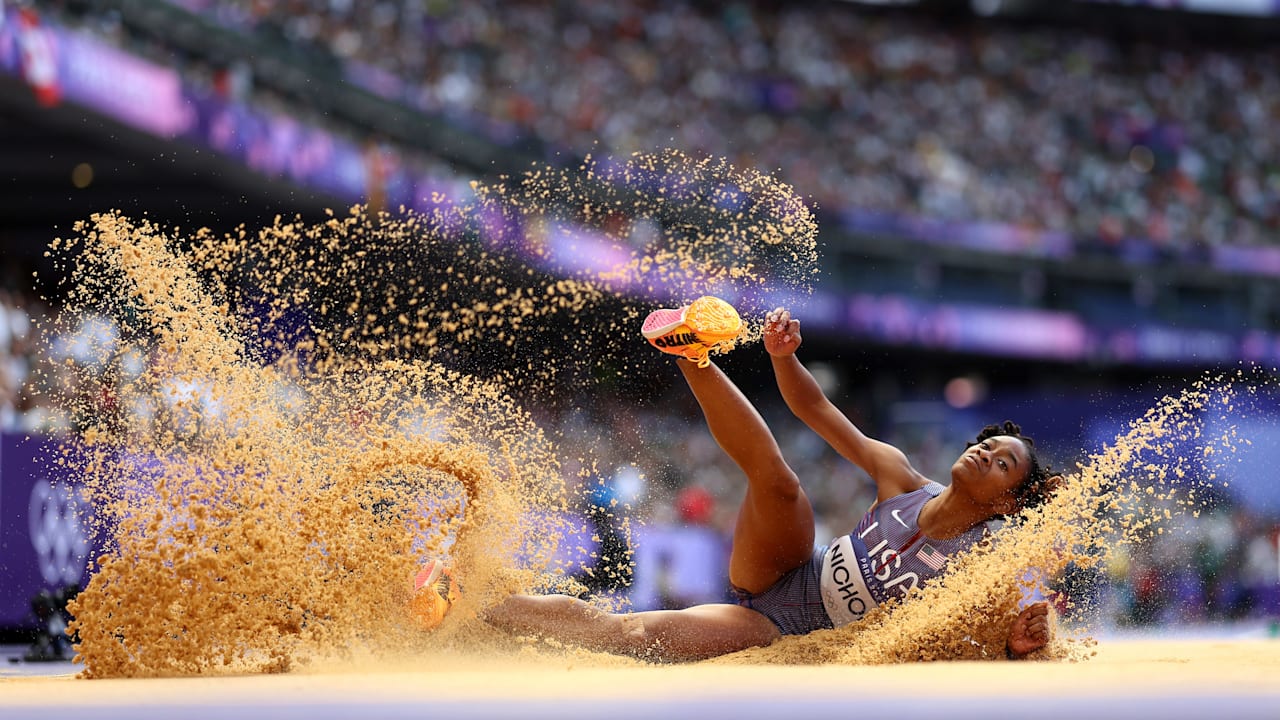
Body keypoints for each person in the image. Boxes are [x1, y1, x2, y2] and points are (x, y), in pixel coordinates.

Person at [420, 297, 1060, 662]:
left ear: (1008, 499)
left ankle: (476, 614)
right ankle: (692, 354)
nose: (984, 455)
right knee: (780, 483)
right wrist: (784, 357)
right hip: (786, 570)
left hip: (784, 632)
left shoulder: (985, 560)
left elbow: (1018, 616)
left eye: (1002, 462)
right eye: (988, 445)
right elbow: (815, 410)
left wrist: (1029, 638)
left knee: (631, 634)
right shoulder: (900, 476)